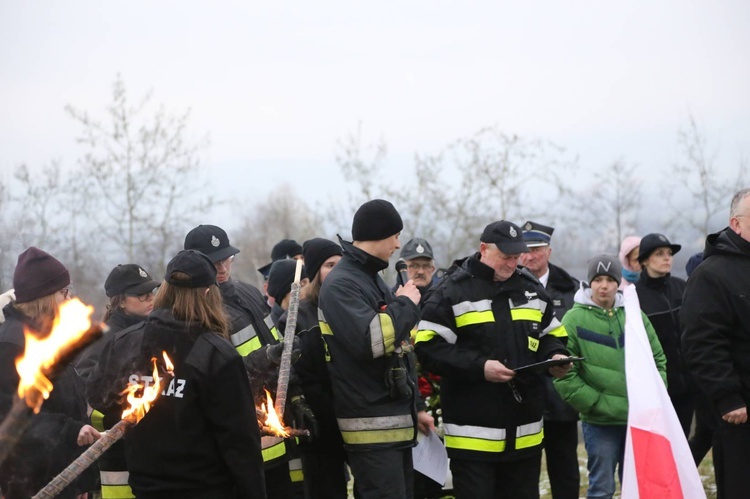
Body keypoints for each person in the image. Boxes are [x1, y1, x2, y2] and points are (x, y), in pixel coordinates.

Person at [415, 221, 571, 499]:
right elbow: (428, 349)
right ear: (484, 249)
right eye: (505, 256)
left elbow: (552, 334)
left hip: (526, 436)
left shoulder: (530, 289)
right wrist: (480, 368)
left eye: (516, 257)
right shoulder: (451, 291)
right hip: (473, 439)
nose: (512, 263)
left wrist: (555, 356)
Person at [123, 249, 266, 498]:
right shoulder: (215, 354)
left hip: (146, 488)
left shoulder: (127, 342)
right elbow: (240, 441)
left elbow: (102, 399)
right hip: (205, 488)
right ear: (209, 294)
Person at [184, 224, 306, 499]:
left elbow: (279, 349)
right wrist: (265, 358)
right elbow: (217, 378)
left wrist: (295, 394)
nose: (223, 267)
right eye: (213, 262)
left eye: (225, 258)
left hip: (274, 431)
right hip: (240, 440)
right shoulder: (197, 313)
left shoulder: (249, 292)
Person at [318, 199, 422, 499]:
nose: (398, 245)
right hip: (371, 428)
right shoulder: (342, 284)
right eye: (394, 236)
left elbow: (401, 341)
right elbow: (371, 341)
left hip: (393, 428)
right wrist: (405, 303)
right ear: (378, 235)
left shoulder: (368, 277)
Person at [554, 254, 666, 499]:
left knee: (637, 487)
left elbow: (658, 360)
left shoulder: (635, 315)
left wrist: (652, 399)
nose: (603, 286)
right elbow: (563, 374)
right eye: (597, 279)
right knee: (602, 488)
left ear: (618, 282)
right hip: (599, 423)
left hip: (637, 420)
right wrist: (594, 404)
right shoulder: (573, 319)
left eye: (609, 279)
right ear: (589, 283)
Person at [0, 247, 99, 499]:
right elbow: (8, 416)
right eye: (63, 293)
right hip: (30, 483)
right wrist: (70, 432)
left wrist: (79, 483)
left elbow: (67, 402)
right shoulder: (12, 344)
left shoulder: (50, 338)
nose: (68, 300)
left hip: (61, 477)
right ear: (44, 297)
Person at [681, 188, 750, 499]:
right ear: (735, 224)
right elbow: (702, 343)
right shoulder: (712, 275)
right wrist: (727, 398)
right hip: (740, 411)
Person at [78, 263, 159, 499]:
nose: (149, 298)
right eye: (141, 294)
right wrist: (123, 413)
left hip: (148, 453)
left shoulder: (149, 330)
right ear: (121, 301)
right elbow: (86, 393)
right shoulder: (105, 339)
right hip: (118, 462)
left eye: (152, 292)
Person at [278, 238, 348, 499]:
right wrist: (326, 417)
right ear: (315, 271)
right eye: (330, 265)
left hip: (356, 416)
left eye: (342, 264)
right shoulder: (298, 316)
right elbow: (299, 374)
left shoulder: (351, 306)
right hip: (320, 428)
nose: (337, 271)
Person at [519, 221, 580, 499]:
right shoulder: (510, 288)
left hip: (561, 397)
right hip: (522, 397)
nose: (529, 256)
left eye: (536, 249)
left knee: (564, 469)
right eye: (524, 250)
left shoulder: (573, 290)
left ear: (549, 251)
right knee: (523, 474)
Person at [633, 233, 695, 437]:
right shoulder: (634, 296)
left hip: (688, 386)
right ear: (643, 261)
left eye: (669, 253)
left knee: (684, 441)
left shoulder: (682, 287)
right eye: (659, 254)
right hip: (657, 388)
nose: (667, 258)